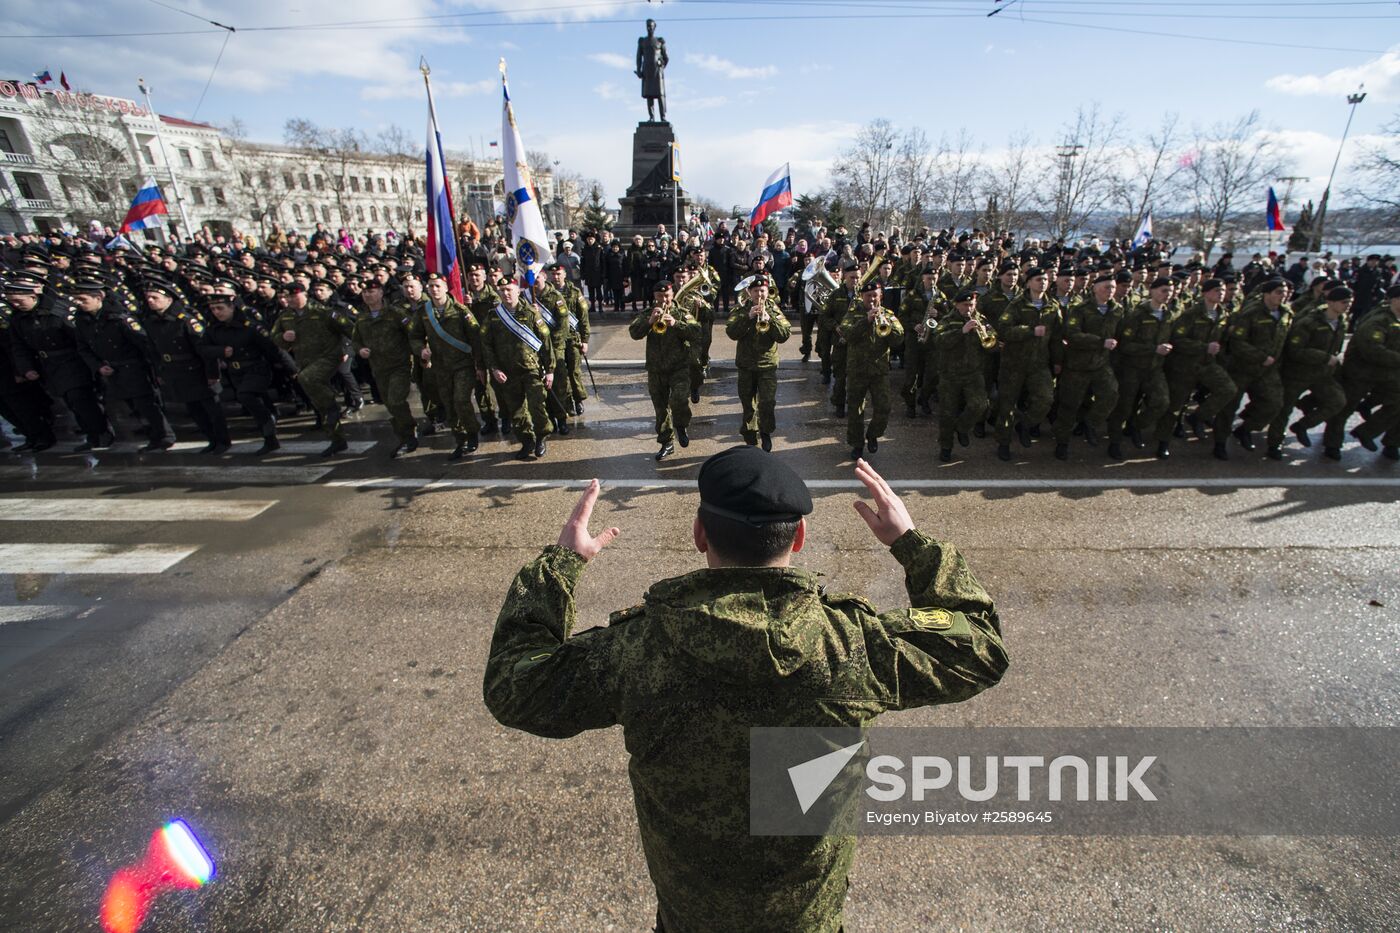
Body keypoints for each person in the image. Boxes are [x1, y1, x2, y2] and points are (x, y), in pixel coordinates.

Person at [483, 450, 1008, 933]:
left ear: (699, 534)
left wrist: (561, 565)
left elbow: (516, 687)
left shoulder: (638, 649)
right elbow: (981, 648)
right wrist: (910, 545)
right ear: (799, 537)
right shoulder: (851, 647)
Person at [274, 281, 355, 457]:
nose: (291, 300)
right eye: (288, 297)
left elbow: (350, 329)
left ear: (304, 294)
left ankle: (330, 404)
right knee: (321, 403)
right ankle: (336, 438)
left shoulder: (323, 312)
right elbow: (273, 338)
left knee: (307, 379)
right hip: (305, 361)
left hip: (329, 357)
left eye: (294, 296)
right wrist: (283, 337)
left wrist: (349, 350)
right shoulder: (286, 316)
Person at [480, 278, 556, 461]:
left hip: (531, 370)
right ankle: (526, 441)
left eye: (509, 290)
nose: (506, 294)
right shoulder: (493, 316)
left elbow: (546, 342)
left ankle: (541, 437)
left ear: (517, 291)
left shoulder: (530, 313)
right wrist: (494, 368)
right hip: (507, 373)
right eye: (502, 290)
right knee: (516, 411)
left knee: (536, 406)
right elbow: (486, 345)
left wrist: (551, 369)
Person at [630, 279, 700, 461]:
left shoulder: (682, 313)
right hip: (656, 369)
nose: (664, 300)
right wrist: (650, 321)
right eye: (660, 296)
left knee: (678, 400)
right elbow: (634, 333)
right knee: (660, 409)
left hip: (679, 367)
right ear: (654, 297)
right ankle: (666, 443)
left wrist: (676, 324)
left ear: (672, 294)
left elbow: (696, 332)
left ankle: (681, 425)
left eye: (667, 296)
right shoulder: (648, 313)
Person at [352, 278, 419, 459]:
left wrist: (419, 353)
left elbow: (414, 333)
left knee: (396, 400)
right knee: (390, 404)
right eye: (365, 292)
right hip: (379, 368)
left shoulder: (395, 313)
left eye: (371, 291)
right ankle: (406, 435)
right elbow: (355, 339)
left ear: (381, 293)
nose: (367, 295)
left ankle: (409, 435)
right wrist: (360, 349)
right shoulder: (361, 317)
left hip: (401, 365)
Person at [840, 278, 903, 460]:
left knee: (884, 407)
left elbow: (899, 339)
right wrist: (865, 321)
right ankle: (857, 444)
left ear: (880, 296)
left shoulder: (889, 314)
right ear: (862, 297)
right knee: (855, 410)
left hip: (879, 370)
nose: (872, 299)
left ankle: (873, 434)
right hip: (857, 370)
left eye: (875, 296)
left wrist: (888, 326)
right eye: (868, 296)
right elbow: (846, 334)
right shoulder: (853, 314)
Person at [725, 273, 790, 450]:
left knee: (767, 402)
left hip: (767, 364)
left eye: (762, 291)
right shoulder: (741, 309)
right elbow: (731, 333)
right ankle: (750, 436)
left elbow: (784, 335)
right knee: (748, 404)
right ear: (749, 292)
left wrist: (771, 321)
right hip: (746, 365)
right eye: (756, 291)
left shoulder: (774, 309)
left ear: (767, 291)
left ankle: (766, 432)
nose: (759, 295)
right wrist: (748, 317)